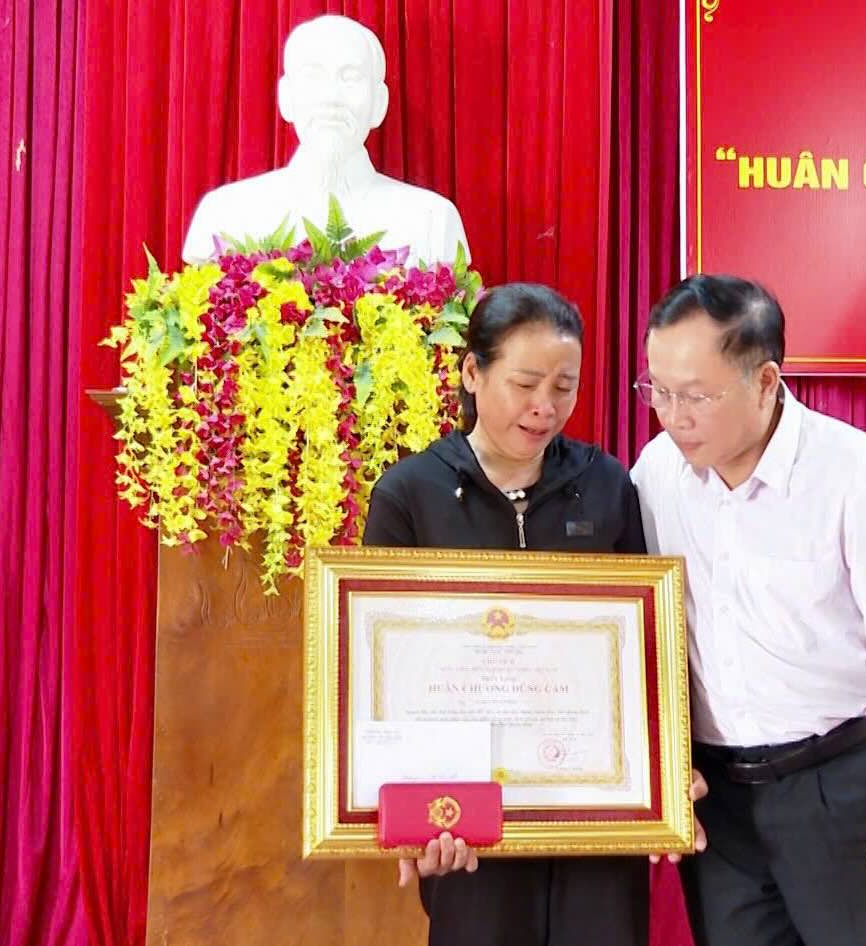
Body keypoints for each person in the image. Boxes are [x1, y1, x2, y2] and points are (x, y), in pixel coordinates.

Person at [630, 274, 866, 946]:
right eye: (657, 389)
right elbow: (645, 624)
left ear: (765, 380)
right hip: (721, 801)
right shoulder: (655, 473)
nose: (672, 414)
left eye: (695, 395)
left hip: (840, 787)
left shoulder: (857, 475)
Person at [363, 282, 648, 946]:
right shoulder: (409, 495)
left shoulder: (607, 484)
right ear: (471, 371)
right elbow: (384, 674)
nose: (545, 407)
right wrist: (407, 815)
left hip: (592, 808)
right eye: (524, 383)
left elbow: (644, 647)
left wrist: (662, 768)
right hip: (466, 814)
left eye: (564, 386)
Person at [182, 15, 467, 266]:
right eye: (313, 76)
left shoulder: (433, 220)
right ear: (286, 98)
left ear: (379, 103)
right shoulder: (224, 212)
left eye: (350, 77)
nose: (332, 97)